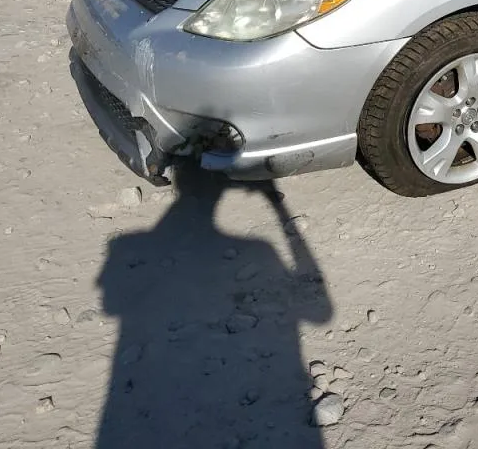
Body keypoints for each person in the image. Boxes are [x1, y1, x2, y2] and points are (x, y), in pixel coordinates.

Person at [95, 165, 331, 449]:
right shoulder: (261, 248)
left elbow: (110, 305)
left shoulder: (127, 245)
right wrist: (278, 210)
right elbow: (321, 314)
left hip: (135, 406)